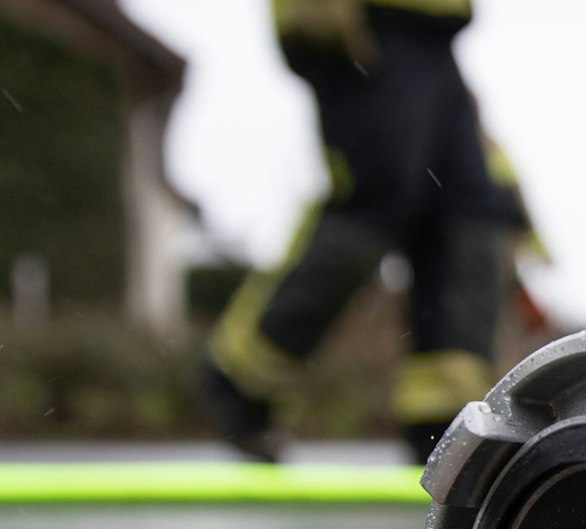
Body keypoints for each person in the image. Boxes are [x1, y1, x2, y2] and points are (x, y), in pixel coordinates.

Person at [199, 0, 501, 464]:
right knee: (372, 204)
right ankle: (241, 378)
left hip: (436, 31)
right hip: (365, 25)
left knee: (466, 214)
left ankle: (440, 423)